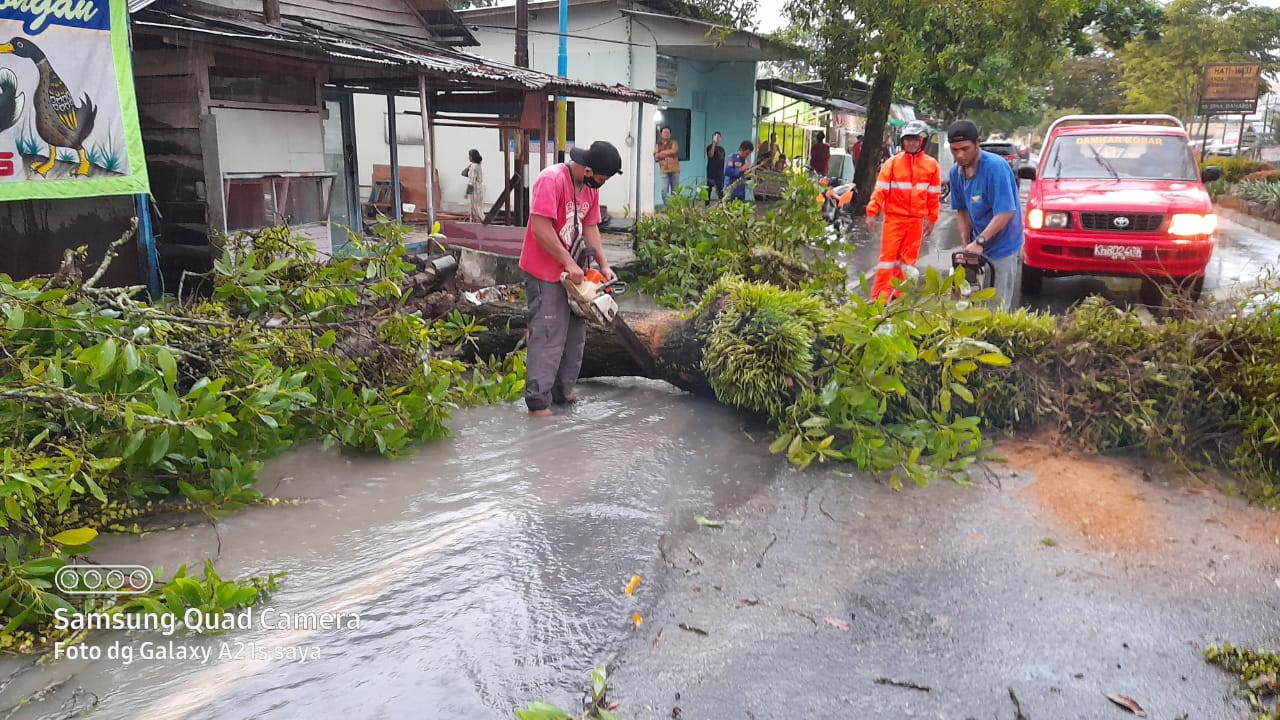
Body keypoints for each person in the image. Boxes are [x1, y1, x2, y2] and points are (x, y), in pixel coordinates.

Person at [518, 140, 624, 416]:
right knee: (549, 334)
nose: (602, 183)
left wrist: (604, 265)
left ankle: (562, 396)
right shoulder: (551, 180)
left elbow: (590, 225)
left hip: (576, 273)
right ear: (588, 169)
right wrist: (566, 261)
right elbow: (540, 228)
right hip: (546, 272)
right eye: (602, 178)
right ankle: (538, 404)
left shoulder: (589, 189)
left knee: (575, 337)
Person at [947, 119, 1024, 311]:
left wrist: (980, 241)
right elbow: (962, 211)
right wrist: (966, 244)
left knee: (996, 304)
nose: (960, 155)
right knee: (968, 299)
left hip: (1003, 243)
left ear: (977, 143)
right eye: (955, 150)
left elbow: (1006, 211)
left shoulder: (995, 168)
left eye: (965, 148)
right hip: (977, 242)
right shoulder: (956, 173)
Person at [863, 120, 942, 302]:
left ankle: (899, 298)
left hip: (916, 222)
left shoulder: (932, 166)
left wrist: (932, 219)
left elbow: (933, 195)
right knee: (887, 261)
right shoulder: (892, 164)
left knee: (907, 264)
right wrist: (871, 213)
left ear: (923, 141)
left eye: (915, 140)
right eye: (908, 139)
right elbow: (880, 191)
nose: (912, 143)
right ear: (903, 141)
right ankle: (879, 299)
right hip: (894, 220)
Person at [654, 126, 680, 202]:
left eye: (668, 132)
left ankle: (674, 208)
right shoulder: (658, 145)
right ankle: (667, 207)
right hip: (664, 169)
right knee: (664, 190)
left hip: (675, 170)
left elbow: (674, 151)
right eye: (664, 132)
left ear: (670, 134)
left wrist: (661, 152)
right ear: (661, 134)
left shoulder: (674, 143)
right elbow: (656, 156)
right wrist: (668, 153)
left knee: (675, 191)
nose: (666, 134)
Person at [462, 148, 485, 222]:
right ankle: (481, 223)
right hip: (479, 189)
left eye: (469, 156)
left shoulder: (473, 167)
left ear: (472, 157)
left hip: (475, 191)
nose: (468, 158)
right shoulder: (478, 165)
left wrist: (468, 193)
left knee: (475, 210)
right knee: (479, 208)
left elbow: (471, 181)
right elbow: (464, 173)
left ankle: (479, 223)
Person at [706, 131, 726, 203]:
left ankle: (722, 206)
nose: (717, 139)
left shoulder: (722, 149)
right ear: (713, 138)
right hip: (711, 172)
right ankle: (706, 206)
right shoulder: (709, 147)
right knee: (708, 190)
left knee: (720, 190)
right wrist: (714, 143)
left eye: (719, 137)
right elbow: (711, 155)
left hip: (719, 173)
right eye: (716, 137)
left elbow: (722, 160)